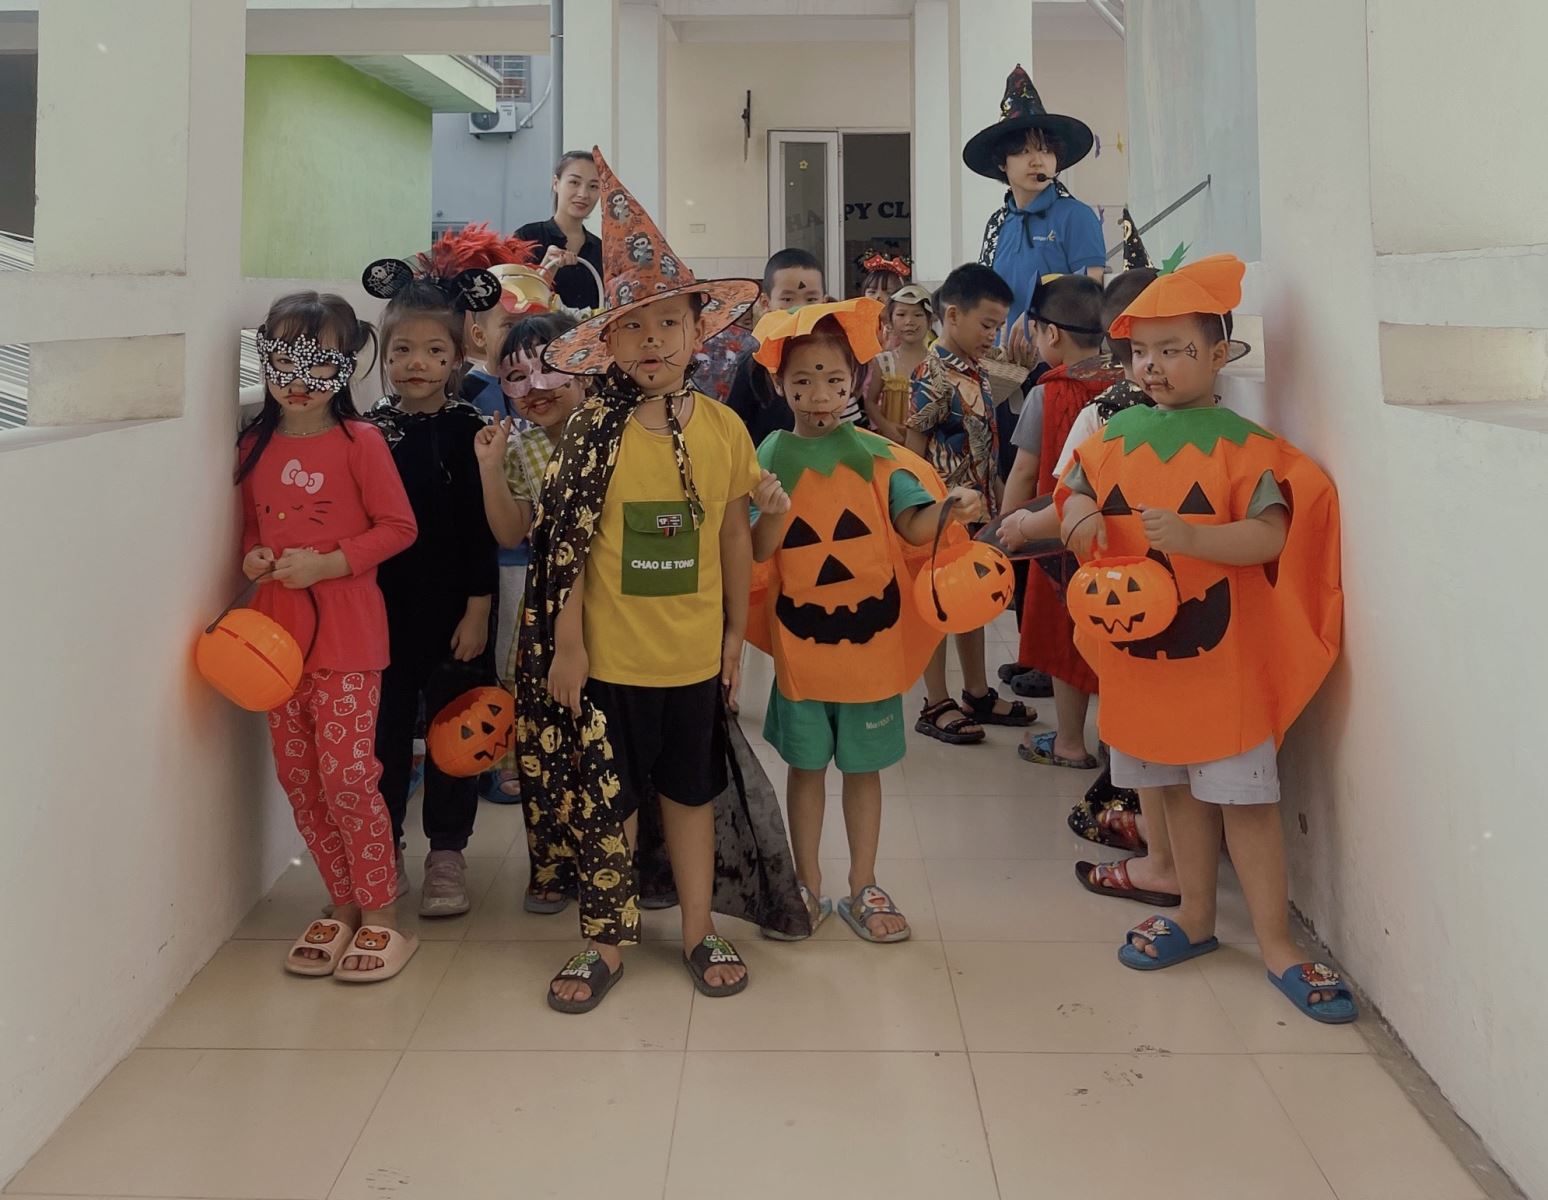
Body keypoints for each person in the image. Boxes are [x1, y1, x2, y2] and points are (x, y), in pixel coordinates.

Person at [519, 147, 804, 1014]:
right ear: (606, 342)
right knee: (609, 804)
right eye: (633, 327)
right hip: (607, 662)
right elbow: (566, 548)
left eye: (668, 324)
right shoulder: (590, 437)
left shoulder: (722, 430)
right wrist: (568, 644)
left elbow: (734, 536)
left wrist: (734, 635)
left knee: (689, 795)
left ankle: (696, 928)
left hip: (689, 660)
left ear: (696, 333)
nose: (651, 342)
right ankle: (605, 940)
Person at [1057, 255, 1355, 1024]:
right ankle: (1194, 916)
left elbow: (1269, 534)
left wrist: (1194, 536)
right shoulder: (1115, 435)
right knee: (1174, 793)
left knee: (1244, 803)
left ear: (1219, 354)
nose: (1152, 366)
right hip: (1143, 662)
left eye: (1174, 350)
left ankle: (1277, 942)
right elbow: (1075, 491)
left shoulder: (1242, 448)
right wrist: (1080, 519)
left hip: (1220, 669)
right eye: (1140, 352)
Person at [747, 299, 983, 942]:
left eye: (833, 380)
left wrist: (948, 512)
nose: (819, 395)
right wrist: (772, 510)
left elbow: (912, 527)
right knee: (805, 769)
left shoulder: (879, 458)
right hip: (802, 647)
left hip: (870, 645)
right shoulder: (767, 456)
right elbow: (757, 553)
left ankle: (863, 884)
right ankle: (805, 883)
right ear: (780, 384)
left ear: (854, 381)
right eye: (803, 381)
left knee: (863, 768)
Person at [236, 291, 419, 981]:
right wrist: (255, 559)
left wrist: (330, 562)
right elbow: (250, 532)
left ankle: (381, 913)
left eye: (319, 363)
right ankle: (341, 902)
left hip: (348, 637)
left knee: (347, 776)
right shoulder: (253, 446)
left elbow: (399, 528)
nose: (299, 379)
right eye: (284, 360)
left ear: (347, 367)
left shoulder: (361, 443)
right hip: (275, 642)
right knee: (300, 778)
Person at [364, 268, 501, 920]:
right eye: (402, 350)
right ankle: (382, 847)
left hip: (457, 613)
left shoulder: (469, 427)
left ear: (456, 358)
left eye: (434, 351)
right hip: (380, 613)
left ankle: (447, 851)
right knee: (383, 736)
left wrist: (479, 608)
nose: (416, 363)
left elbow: (481, 528)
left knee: (457, 733)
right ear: (384, 355)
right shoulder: (367, 431)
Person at [473, 311, 587, 912]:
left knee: (611, 736)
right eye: (518, 376)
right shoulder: (519, 445)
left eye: (552, 369)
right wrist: (491, 467)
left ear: (585, 366)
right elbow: (511, 530)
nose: (537, 387)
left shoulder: (617, 434)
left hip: (616, 609)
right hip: (545, 606)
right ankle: (552, 863)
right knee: (544, 742)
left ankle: (625, 858)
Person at [907, 263, 1034, 743]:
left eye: (997, 326)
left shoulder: (977, 370)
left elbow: (986, 440)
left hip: (975, 511)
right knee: (937, 605)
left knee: (972, 596)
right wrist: (921, 510)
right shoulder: (931, 374)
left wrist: (997, 492)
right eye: (986, 325)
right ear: (953, 315)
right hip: (938, 514)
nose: (992, 335)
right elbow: (912, 449)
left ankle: (976, 692)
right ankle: (935, 701)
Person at [1000, 274, 1122, 771]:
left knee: (1066, 633)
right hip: (1121, 538)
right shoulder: (1128, 386)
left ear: (1050, 333)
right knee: (1116, 630)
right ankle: (1118, 741)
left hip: (1058, 536)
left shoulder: (1046, 394)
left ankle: (1070, 741)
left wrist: (1006, 531)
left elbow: (1024, 472)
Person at [966, 65, 1105, 337]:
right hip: (1001, 356)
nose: (1037, 161)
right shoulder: (997, 224)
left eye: (1045, 151)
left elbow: (1089, 290)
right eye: (1022, 151)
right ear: (1002, 163)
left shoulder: (1076, 216)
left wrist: (1036, 316)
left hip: (1057, 354)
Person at [724, 248, 828, 445]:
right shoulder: (754, 361)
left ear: (824, 302)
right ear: (766, 303)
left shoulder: (835, 356)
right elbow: (734, 423)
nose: (800, 309)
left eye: (811, 300)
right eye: (787, 299)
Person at [516, 150, 605, 310]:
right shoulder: (528, 238)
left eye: (593, 186)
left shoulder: (603, 251)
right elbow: (514, 303)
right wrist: (547, 268)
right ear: (556, 183)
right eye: (574, 182)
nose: (583, 194)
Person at [863, 283, 933, 443]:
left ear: (929, 321)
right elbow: (870, 402)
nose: (909, 321)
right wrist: (887, 427)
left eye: (918, 315)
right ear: (891, 321)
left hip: (928, 444)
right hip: (892, 443)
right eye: (901, 314)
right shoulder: (884, 362)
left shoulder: (937, 363)